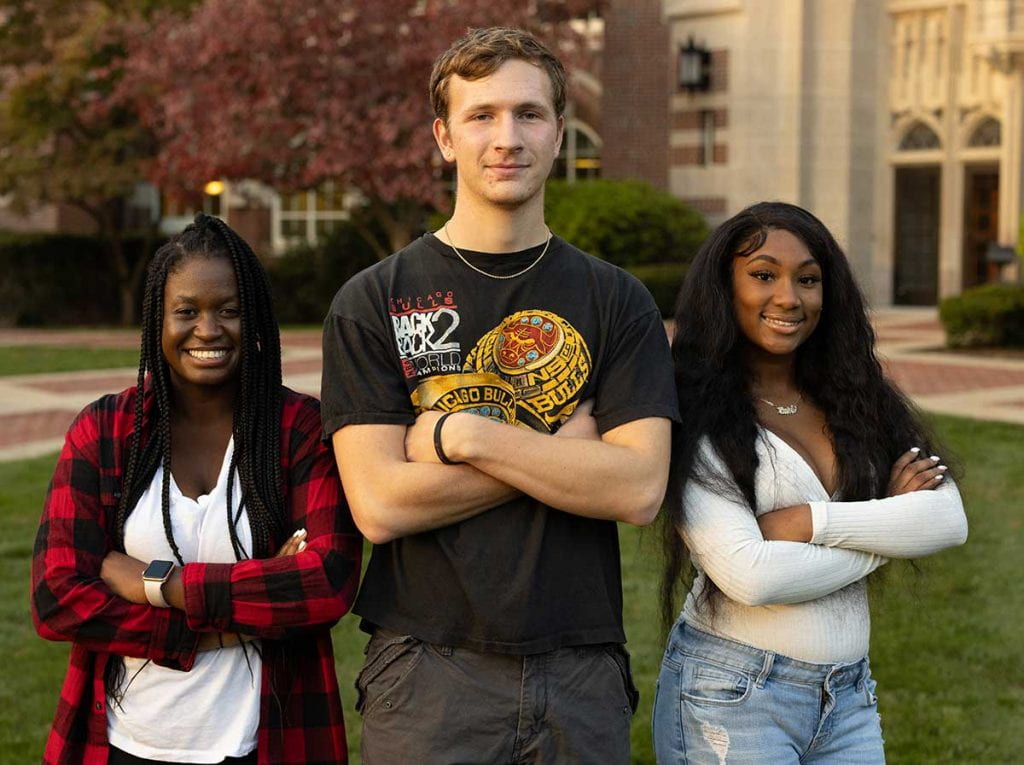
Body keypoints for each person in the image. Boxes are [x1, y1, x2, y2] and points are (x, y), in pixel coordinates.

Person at [320, 26, 678, 764]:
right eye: (481, 115)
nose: (506, 137)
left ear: (557, 135)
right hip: (426, 666)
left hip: (581, 663)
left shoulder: (618, 300)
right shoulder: (373, 300)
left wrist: (463, 436)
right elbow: (381, 503)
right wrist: (560, 454)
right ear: (444, 137)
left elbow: (640, 486)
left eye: (529, 115)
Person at [32, 214, 362, 765]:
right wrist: (222, 630)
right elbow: (57, 598)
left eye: (229, 310)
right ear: (156, 322)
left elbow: (326, 583)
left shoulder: (298, 430)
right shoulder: (105, 430)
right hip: (119, 743)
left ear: (253, 318)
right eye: (186, 311)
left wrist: (159, 584)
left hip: (269, 741)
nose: (208, 329)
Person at [653, 201, 968, 763]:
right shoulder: (693, 408)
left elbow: (947, 520)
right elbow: (752, 576)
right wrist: (887, 531)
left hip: (847, 698)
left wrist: (809, 522)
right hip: (732, 694)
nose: (789, 298)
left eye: (809, 279)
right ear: (724, 289)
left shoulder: (856, 397)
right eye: (763, 275)